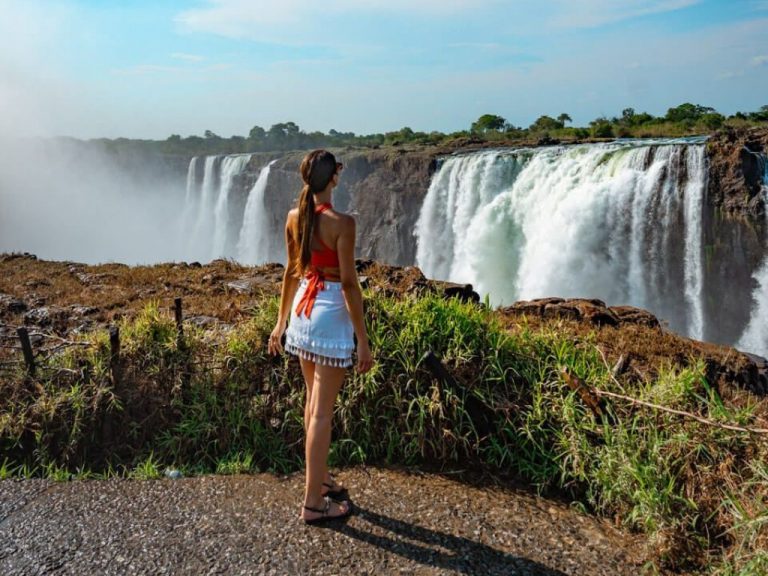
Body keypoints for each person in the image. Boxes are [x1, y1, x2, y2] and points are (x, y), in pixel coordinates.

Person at [267, 149, 373, 525]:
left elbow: (291, 274)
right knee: (322, 414)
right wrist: (362, 338)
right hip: (328, 315)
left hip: (302, 311)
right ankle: (313, 503)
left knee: (312, 405)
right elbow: (348, 283)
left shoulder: (295, 217)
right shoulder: (343, 223)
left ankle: (320, 477)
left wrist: (281, 324)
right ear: (335, 177)